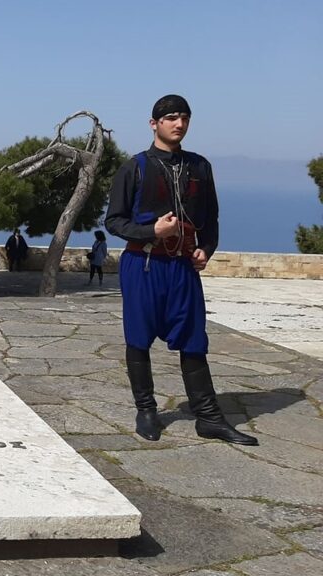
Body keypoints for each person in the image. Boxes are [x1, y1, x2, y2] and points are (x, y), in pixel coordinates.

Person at [105, 94, 256, 446]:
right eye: (171, 117)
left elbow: (211, 218)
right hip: (144, 265)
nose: (179, 123)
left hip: (183, 267)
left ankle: (209, 417)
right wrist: (151, 231)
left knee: (193, 338)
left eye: (185, 117)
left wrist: (207, 248)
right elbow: (114, 221)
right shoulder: (134, 167)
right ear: (154, 123)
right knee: (138, 337)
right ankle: (146, 411)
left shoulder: (200, 167)